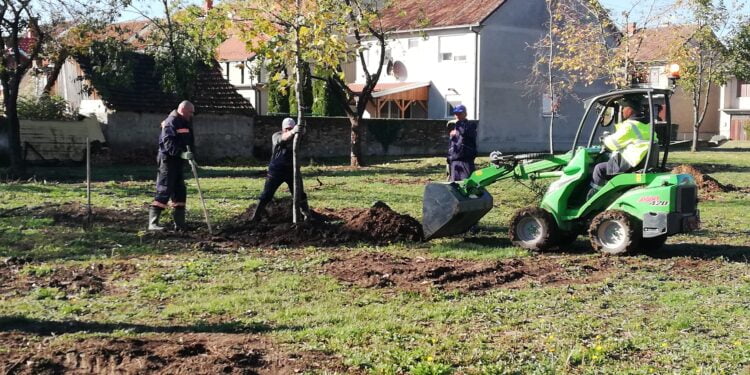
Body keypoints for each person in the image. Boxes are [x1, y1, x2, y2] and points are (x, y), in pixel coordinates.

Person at [587, 96, 657, 199]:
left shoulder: (630, 126)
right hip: (642, 162)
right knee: (608, 164)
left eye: (623, 108)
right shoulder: (647, 125)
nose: (622, 111)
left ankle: (592, 199)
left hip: (631, 163)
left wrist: (604, 139)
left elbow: (612, 143)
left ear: (630, 110)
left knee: (599, 169)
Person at [250, 117, 311, 222]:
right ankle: (256, 216)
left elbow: (304, 133)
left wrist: (303, 129)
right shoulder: (276, 136)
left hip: (292, 171)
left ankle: (306, 215)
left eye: (290, 128)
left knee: (300, 194)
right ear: (283, 129)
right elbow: (284, 138)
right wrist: (293, 131)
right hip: (276, 171)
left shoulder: (297, 138)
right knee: (267, 194)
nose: (288, 130)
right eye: (286, 128)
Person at [148, 100, 195, 231]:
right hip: (168, 161)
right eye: (190, 112)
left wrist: (191, 156)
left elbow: (188, 141)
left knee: (180, 190)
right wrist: (181, 154)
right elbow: (167, 143)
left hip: (178, 162)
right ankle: (153, 223)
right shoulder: (171, 122)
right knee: (164, 189)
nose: (191, 115)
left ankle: (179, 223)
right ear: (183, 110)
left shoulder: (185, 122)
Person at [447, 104, 477, 182]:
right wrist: (449, 159)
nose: (458, 115)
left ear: (465, 114)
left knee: (468, 184)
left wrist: (456, 131)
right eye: (456, 113)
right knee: (455, 186)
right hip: (454, 161)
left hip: (466, 161)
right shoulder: (455, 127)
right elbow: (451, 145)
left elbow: (464, 132)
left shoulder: (470, 126)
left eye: (460, 113)